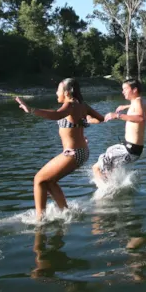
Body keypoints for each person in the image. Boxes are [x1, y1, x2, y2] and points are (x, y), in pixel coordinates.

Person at [16, 78, 106, 220]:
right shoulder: (82, 105)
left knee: (38, 179)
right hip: (81, 152)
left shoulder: (70, 105)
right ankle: (64, 211)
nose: (56, 92)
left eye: (58, 89)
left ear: (66, 92)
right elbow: (100, 118)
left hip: (73, 153)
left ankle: (40, 219)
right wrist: (83, 123)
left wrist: (31, 110)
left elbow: (56, 115)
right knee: (49, 181)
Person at [92, 79, 146, 187]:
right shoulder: (139, 101)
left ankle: (106, 189)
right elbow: (139, 107)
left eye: (125, 89)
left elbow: (141, 118)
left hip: (130, 150)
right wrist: (125, 107)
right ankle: (112, 184)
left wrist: (117, 116)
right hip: (132, 148)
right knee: (108, 154)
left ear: (134, 89)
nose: (123, 92)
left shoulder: (137, 102)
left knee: (97, 167)